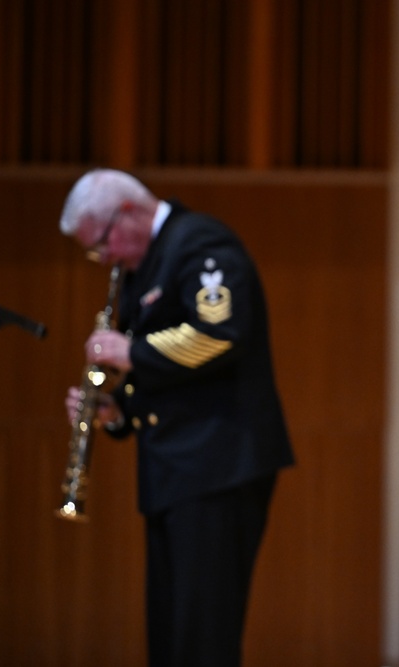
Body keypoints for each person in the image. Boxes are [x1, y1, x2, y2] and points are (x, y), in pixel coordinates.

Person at [59, 169, 295, 667]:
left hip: (218, 465)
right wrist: (116, 412)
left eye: (102, 244)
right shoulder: (143, 268)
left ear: (128, 212)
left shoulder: (198, 242)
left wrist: (133, 350)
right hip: (177, 471)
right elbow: (166, 382)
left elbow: (221, 333)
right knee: (171, 638)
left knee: (202, 637)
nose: (104, 259)